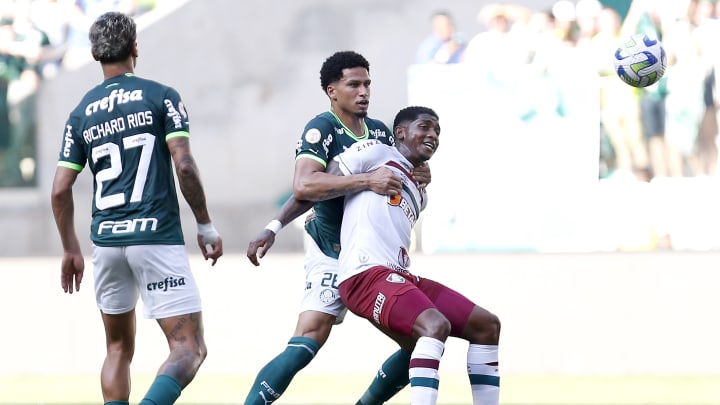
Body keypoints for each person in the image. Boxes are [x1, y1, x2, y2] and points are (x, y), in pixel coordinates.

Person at [50, 11, 222, 405]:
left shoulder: (81, 113)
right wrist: (205, 224)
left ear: (95, 54)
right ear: (135, 48)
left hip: (106, 244)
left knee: (116, 350)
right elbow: (184, 164)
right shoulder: (161, 96)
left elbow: (60, 189)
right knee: (188, 348)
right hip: (155, 236)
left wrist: (70, 248)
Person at [244, 50, 431, 405]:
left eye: (367, 84)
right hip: (331, 250)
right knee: (308, 340)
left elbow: (396, 173)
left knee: (424, 337)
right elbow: (306, 186)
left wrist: (421, 173)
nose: (364, 92)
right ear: (332, 90)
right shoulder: (322, 129)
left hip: (372, 257)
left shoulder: (379, 131)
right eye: (353, 84)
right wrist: (273, 226)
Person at [333, 106, 501, 405]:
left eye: (437, 131)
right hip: (363, 274)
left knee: (486, 325)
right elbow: (314, 183)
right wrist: (277, 226)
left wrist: (417, 174)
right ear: (400, 132)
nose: (432, 135)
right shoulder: (375, 153)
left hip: (399, 274)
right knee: (435, 327)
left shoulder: (420, 189)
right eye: (424, 127)